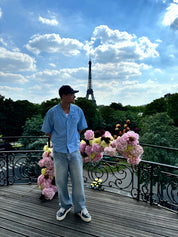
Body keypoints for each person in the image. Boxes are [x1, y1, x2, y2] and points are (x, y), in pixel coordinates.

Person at [41, 85, 91, 222]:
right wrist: (59, 141)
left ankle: (80, 208)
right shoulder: (52, 112)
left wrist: (72, 141)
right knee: (61, 181)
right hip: (59, 152)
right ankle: (65, 205)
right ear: (63, 96)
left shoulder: (78, 111)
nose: (74, 96)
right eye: (72, 94)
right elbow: (48, 131)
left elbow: (80, 129)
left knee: (78, 180)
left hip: (74, 151)